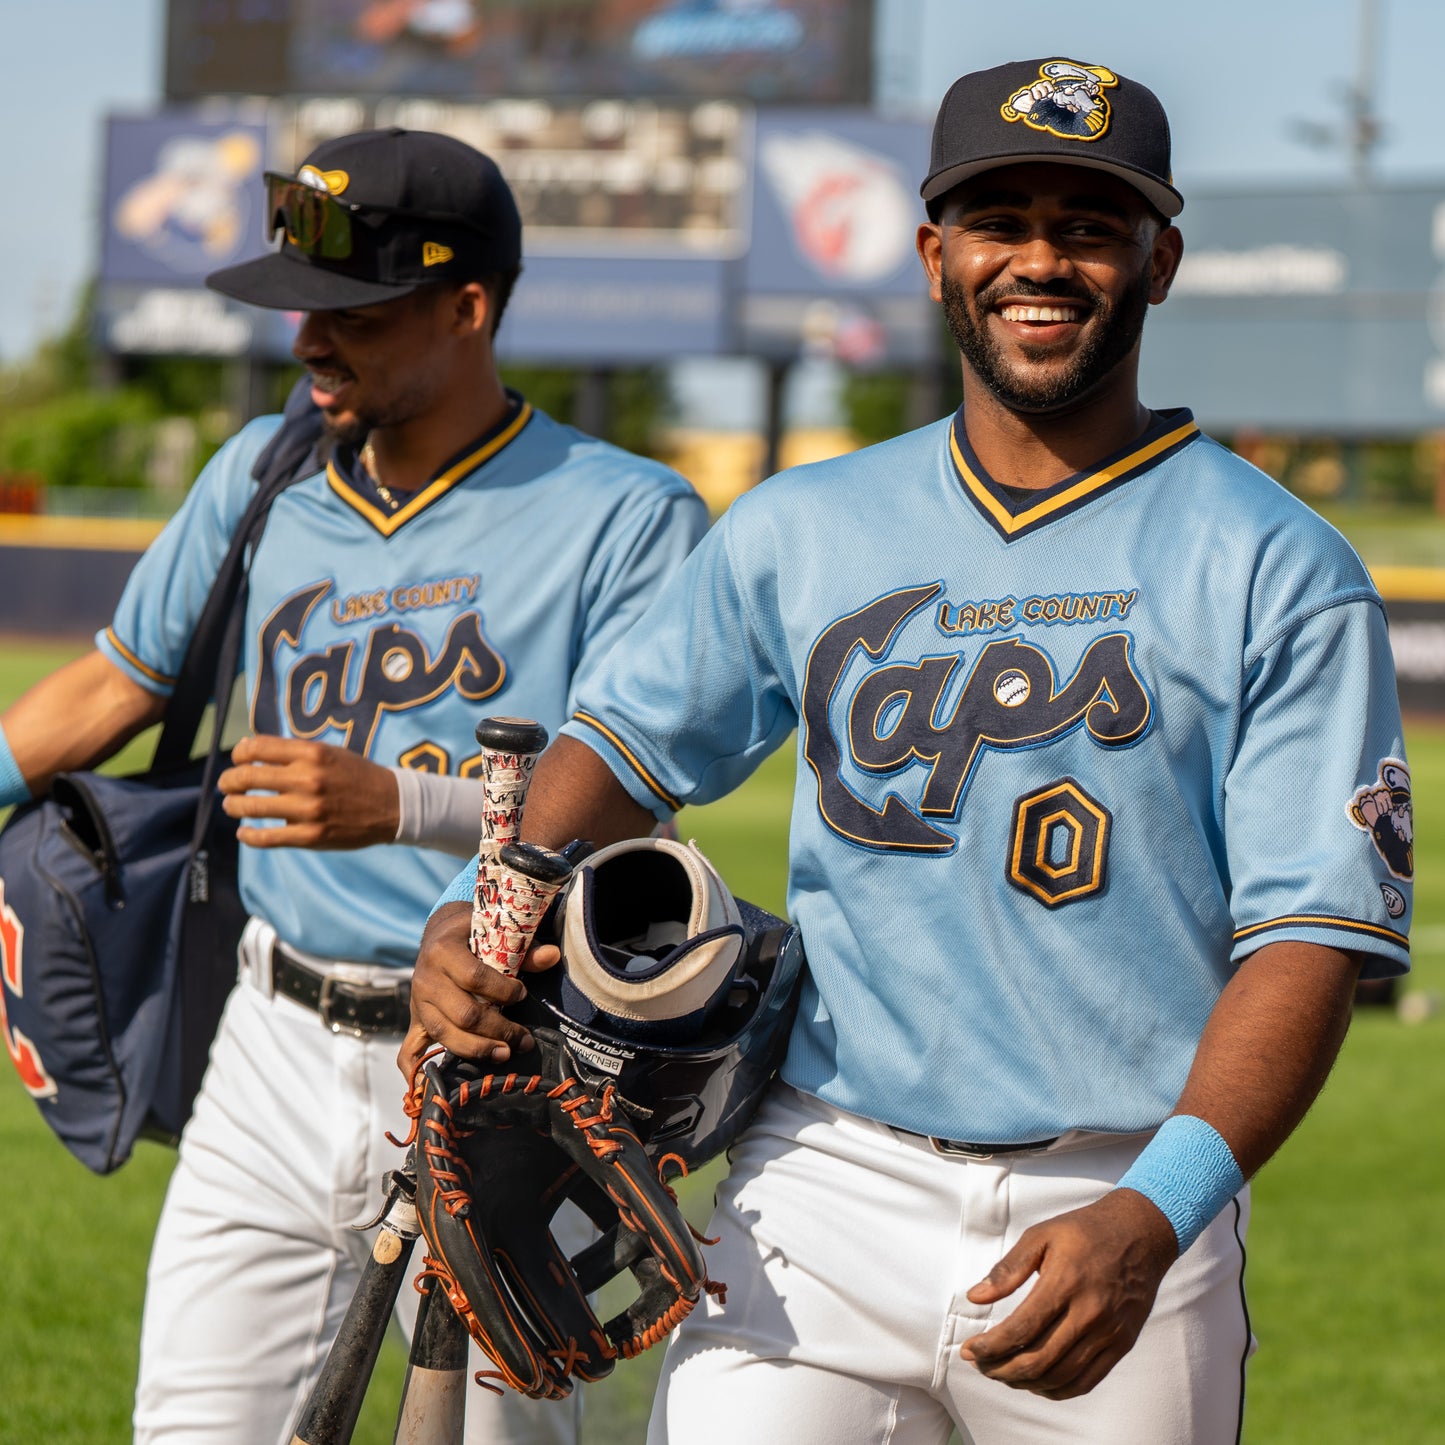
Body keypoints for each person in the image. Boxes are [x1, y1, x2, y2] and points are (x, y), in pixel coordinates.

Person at [404, 59, 1413, 1444]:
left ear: (1158, 260)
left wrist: (1158, 1211)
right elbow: (625, 740)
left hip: (1115, 1186)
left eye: (1090, 223)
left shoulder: (1276, 565)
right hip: (822, 1177)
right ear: (938, 255)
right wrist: (495, 903)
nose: (1040, 259)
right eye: (999, 219)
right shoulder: (801, 524)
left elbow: (1308, 936)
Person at [0, 128, 708, 1443]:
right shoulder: (260, 483)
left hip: (509, 1063)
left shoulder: (630, 516)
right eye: (298, 313)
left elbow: (640, 807)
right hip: (270, 1044)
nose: (310, 343)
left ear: (467, 307)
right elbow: (114, 684)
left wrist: (406, 806)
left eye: (353, 315)